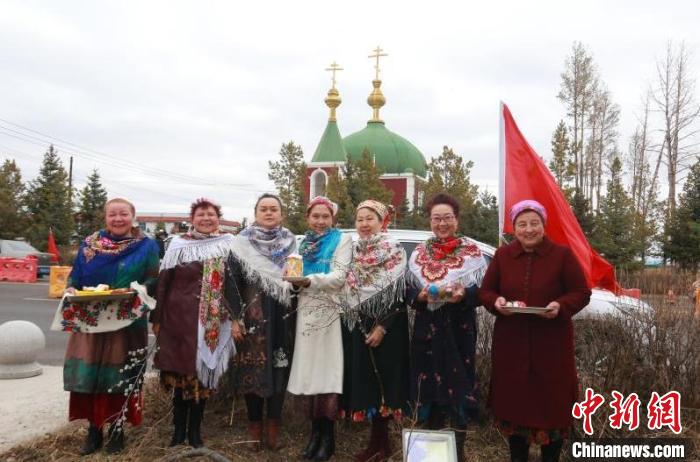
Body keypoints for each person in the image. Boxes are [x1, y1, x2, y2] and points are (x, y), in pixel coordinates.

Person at [479, 200, 591, 462]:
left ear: (543, 225)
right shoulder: (503, 256)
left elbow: (581, 293)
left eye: (534, 223)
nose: (528, 229)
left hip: (551, 347)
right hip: (511, 345)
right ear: (514, 228)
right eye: (522, 224)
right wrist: (496, 303)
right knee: (514, 409)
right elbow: (486, 291)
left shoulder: (561, 255)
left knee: (551, 409)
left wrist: (560, 306)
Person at [63, 198, 160, 455]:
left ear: (133, 216)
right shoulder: (90, 244)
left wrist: (133, 291)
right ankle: (94, 431)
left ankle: (117, 430)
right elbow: (75, 274)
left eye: (123, 214)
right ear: (105, 217)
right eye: (112, 214)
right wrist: (71, 287)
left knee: (120, 376)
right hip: (91, 317)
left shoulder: (146, 245)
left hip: (127, 319)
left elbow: (153, 279)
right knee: (91, 375)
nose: (118, 219)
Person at [407, 193, 487, 462]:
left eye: (447, 218)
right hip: (426, 331)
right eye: (436, 218)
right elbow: (407, 290)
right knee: (427, 387)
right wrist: (418, 297)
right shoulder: (419, 254)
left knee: (458, 387)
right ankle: (428, 454)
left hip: (458, 331)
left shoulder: (471, 252)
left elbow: (484, 292)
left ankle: (457, 453)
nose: (442, 223)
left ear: (457, 219)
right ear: (430, 221)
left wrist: (464, 295)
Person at [151, 198, 236, 448]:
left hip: (211, 322)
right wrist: (157, 319)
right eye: (201, 214)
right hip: (178, 320)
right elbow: (164, 283)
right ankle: (178, 432)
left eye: (211, 214)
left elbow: (232, 285)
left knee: (202, 378)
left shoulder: (228, 245)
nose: (206, 218)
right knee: (179, 378)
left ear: (218, 218)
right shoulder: (178, 245)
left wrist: (235, 317)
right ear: (192, 219)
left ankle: (195, 432)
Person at [226, 193, 297, 451]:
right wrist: (235, 319)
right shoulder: (241, 243)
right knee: (252, 373)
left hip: (282, 317)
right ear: (255, 213)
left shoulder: (290, 242)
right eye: (263, 209)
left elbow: (297, 281)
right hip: (251, 319)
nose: (269, 213)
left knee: (279, 368)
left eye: (274, 209)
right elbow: (231, 282)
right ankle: (254, 431)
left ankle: (273, 430)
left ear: (281, 214)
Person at [340, 200, 409, 462]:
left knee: (386, 382)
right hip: (358, 324)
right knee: (368, 382)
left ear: (382, 222)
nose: (364, 224)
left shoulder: (394, 250)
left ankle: (384, 443)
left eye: (370, 219)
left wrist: (382, 326)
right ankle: (376, 443)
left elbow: (399, 294)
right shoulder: (350, 251)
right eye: (360, 219)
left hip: (387, 327)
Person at [286, 196, 352, 461]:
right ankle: (314, 434)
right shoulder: (304, 243)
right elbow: (291, 278)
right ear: (308, 218)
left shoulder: (342, 240)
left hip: (329, 311)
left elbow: (339, 277)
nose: (320, 221)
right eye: (316, 216)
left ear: (333, 218)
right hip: (305, 311)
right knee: (311, 372)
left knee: (327, 372)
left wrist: (307, 280)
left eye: (325, 216)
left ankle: (328, 437)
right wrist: (293, 283)